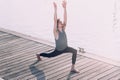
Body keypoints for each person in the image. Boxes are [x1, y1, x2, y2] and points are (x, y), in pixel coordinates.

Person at [36, 0, 79, 73]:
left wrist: (65, 8)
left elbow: (65, 18)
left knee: (75, 51)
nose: (61, 23)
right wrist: (55, 9)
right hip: (58, 50)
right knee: (49, 55)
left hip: (65, 48)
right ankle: (39, 54)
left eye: (61, 22)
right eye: (60, 22)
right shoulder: (55, 32)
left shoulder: (63, 29)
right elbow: (55, 20)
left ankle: (72, 68)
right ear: (57, 24)